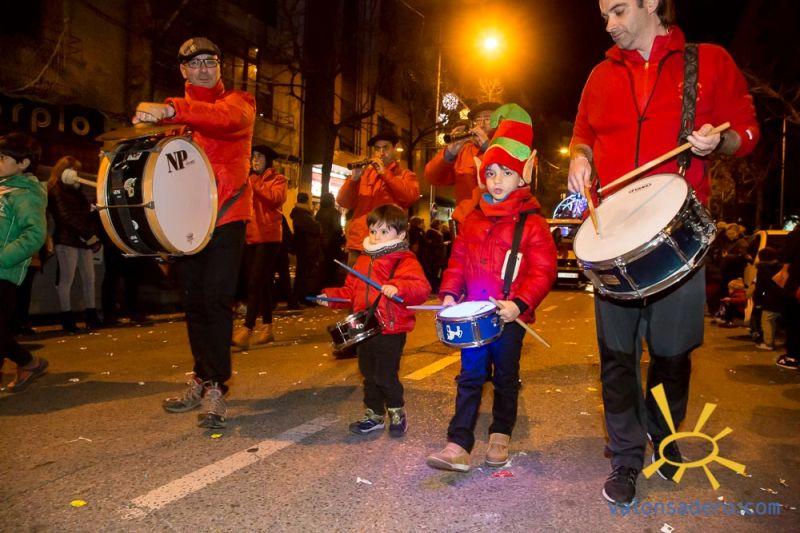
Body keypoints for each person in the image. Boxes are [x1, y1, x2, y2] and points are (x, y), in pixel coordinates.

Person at [567, 0, 760, 506]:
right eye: (604, 16)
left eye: (619, 11)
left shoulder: (708, 61)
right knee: (617, 357)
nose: (609, 25)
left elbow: (747, 132)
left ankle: (665, 433)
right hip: (613, 235)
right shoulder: (600, 75)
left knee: (673, 356)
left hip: (677, 232)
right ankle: (626, 456)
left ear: (651, 2)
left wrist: (719, 142)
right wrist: (579, 159)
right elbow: (582, 135)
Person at [426, 104, 557, 472]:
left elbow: (543, 270)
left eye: (507, 173)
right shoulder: (473, 219)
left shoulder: (533, 223)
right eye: (491, 172)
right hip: (476, 315)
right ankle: (458, 442)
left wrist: (520, 303)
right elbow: (458, 261)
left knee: (505, 377)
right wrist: (450, 293)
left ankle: (500, 433)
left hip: (509, 316)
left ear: (522, 176)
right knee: (469, 375)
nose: (497, 180)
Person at [133, 37, 256, 429]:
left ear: (219, 67)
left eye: (210, 62)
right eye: (195, 63)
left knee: (217, 300)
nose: (204, 69)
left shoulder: (239, 101)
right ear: (183, 70)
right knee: (193, 302)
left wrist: (171, 109)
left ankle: (217, 385)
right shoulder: (175, 116)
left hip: (226, 214)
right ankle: (202, 376)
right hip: (185, 222)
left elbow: (224, 120)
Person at [320, 204, 430, 436]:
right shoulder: (362, 260)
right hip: (365, 328)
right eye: (373, 230)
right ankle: (374, 414)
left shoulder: (405, 260)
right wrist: (329, 297)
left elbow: (421, 288)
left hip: (391, 328)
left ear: (400, 234)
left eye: (383, 231)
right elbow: (350, 292)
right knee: (368, 373)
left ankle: (397, 411)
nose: (376, 236)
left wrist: (398, 286)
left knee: (385, 374)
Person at [0, 133, 49, 392]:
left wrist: (3, 258)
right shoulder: (4, 188)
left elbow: (35, 234)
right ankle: (29, 362)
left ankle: (28, 362)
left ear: (23, 163)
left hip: (4, 273)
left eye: (2, 158)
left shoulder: (26, 194)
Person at [232, 145, 287, 348]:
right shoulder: (248, 180)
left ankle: (247, 328)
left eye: (259, 156)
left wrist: (254, 182)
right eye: (253, 156)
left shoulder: (278, 179)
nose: (255, 160)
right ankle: (268, 328)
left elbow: (275, 199)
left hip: (269, 238)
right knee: (260, 283)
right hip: (250, 237)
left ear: (268, 160)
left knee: (255, 281)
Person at [336, 130, 419, 265]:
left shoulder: (405, 174)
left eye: (385, 147)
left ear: (394, 149)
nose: (381, 152)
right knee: (355, 279)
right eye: (377, 148)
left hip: (387, 246)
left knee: (382, 279)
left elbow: (410, 197)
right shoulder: (364, 174)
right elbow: (343, 202)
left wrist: (385, 173)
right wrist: (353, 179)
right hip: (359, 245)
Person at [47, 156, 102, 332]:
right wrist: (89, 235)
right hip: (67, 240)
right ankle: (67, 318)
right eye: (73, 170)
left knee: (89, 278)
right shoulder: (56, 189)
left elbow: (83, 214)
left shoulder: (75, 190)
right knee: (67, 280)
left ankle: (91, 314)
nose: (75, 174)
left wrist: (91, 224)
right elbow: (64, 216)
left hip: (82, 239)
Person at [425, 102, 500, 207]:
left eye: (487, 119)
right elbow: (433, 177)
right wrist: (449, 153)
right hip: (466, 215)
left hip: (499, 215)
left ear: (499, 122)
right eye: (478, 120)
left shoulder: (508, 145)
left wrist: (487, 147)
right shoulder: (465, 150)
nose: (482, 124)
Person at [290, 192, 323, 305]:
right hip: (306, 248)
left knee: (303, 273)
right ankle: (301, 297)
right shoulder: (303, 214)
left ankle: (300, 297)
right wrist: (318, 225)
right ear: (307, 200)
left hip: (303, 247)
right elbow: (316, 228)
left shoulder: (300, 213)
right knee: (304, 274)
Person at [775, 225, 800, 369]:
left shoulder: (795, 236)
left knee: (794, 322)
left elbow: (785, 256)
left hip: (796, 286)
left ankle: (792, 357)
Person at [752, 247, 784, 351]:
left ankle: (768, 343)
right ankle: (782, 340)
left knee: (767, 320)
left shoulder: (762, 268)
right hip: (784, 298)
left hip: (770, 299)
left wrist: (757, 301)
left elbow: (760, 286)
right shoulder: (782, 267)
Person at [315, 191, 345, 286]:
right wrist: (343, 238)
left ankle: (321, 289)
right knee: (332, 270)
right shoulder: (335, 213)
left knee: (322, 269)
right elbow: (337, 229)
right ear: (332, 201)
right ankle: (330, 289)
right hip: (332, 245)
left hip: (321, 244)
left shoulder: (319, 213)